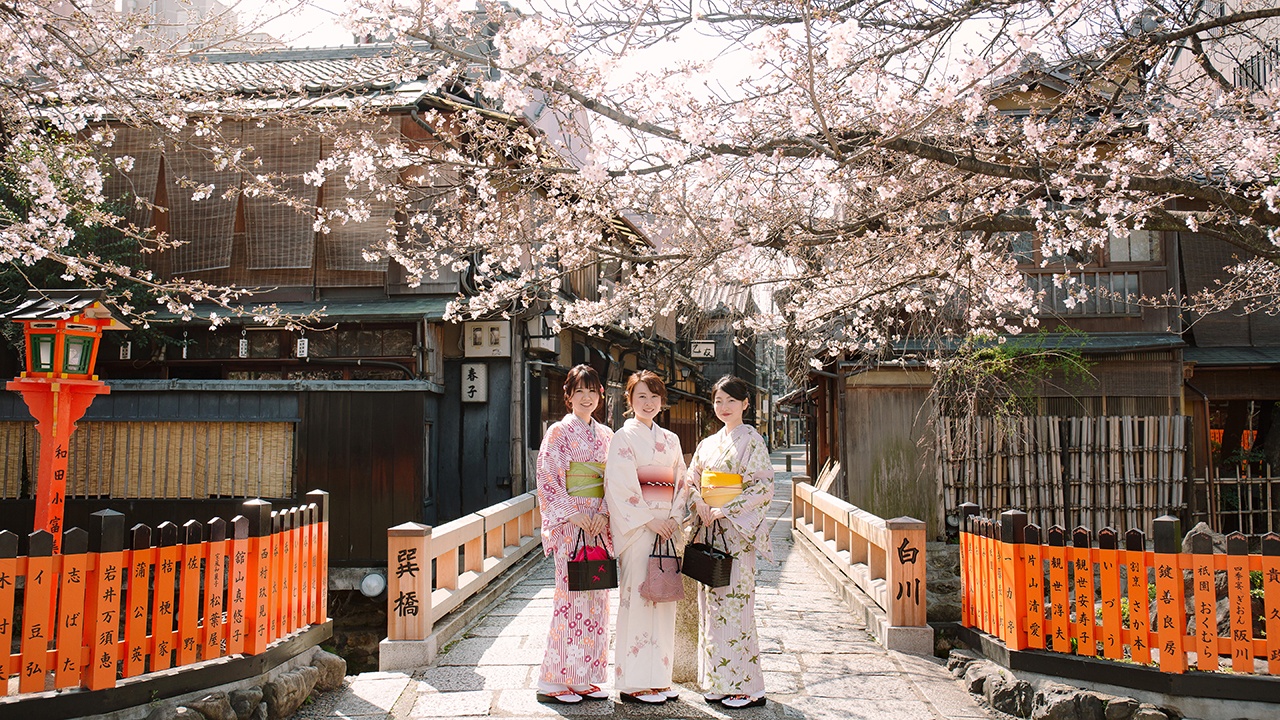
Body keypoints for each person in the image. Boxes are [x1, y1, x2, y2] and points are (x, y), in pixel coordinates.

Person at [686, 375, 775, 709]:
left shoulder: (752, 442)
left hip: (736, 534)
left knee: (736, 608)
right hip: (711, 530)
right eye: (718, 401)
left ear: (745, 404)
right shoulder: (708, 443)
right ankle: (717, 680)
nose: (723, 408)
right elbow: (691, 479)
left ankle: (746, 687)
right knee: (711, 606)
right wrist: (700, 504)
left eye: (731, 401)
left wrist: (725, 508)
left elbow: (762, 488)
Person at [603, 371, 688, 705]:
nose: (648, 403)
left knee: (663, 599)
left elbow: (681, 483)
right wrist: (650, 520)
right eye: (641, 396)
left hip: (665, 527)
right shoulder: (623, 438)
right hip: (639, 529)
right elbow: (619, 486)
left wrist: (673, 518)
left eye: (654, 397)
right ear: (630, 400)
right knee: (638, 599)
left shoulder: (671, 440)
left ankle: (659, 678)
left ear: (662, 401)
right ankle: (634, 682)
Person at [534, 365, 613, 704]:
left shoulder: (607, 435)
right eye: (579, 391)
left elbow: (615, 480)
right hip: (571, 527)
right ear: (568, 396)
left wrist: (604, 511)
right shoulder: (558, 433)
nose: (586, 397)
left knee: (597, 601)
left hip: (598, 526)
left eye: (592, 391)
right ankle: (554, 681)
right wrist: (575, 514)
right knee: (570, 600)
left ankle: (582, 677)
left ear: (600, 395)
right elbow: (548, 478)